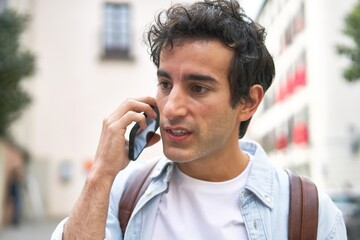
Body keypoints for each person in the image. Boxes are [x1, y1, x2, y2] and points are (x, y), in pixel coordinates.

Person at [52, 0, 347, 239]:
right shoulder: (122, 191)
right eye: (165, 84)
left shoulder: (309, 213)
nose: (170, 108)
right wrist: (101, 174)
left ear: (248, 102)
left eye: (198, 88)